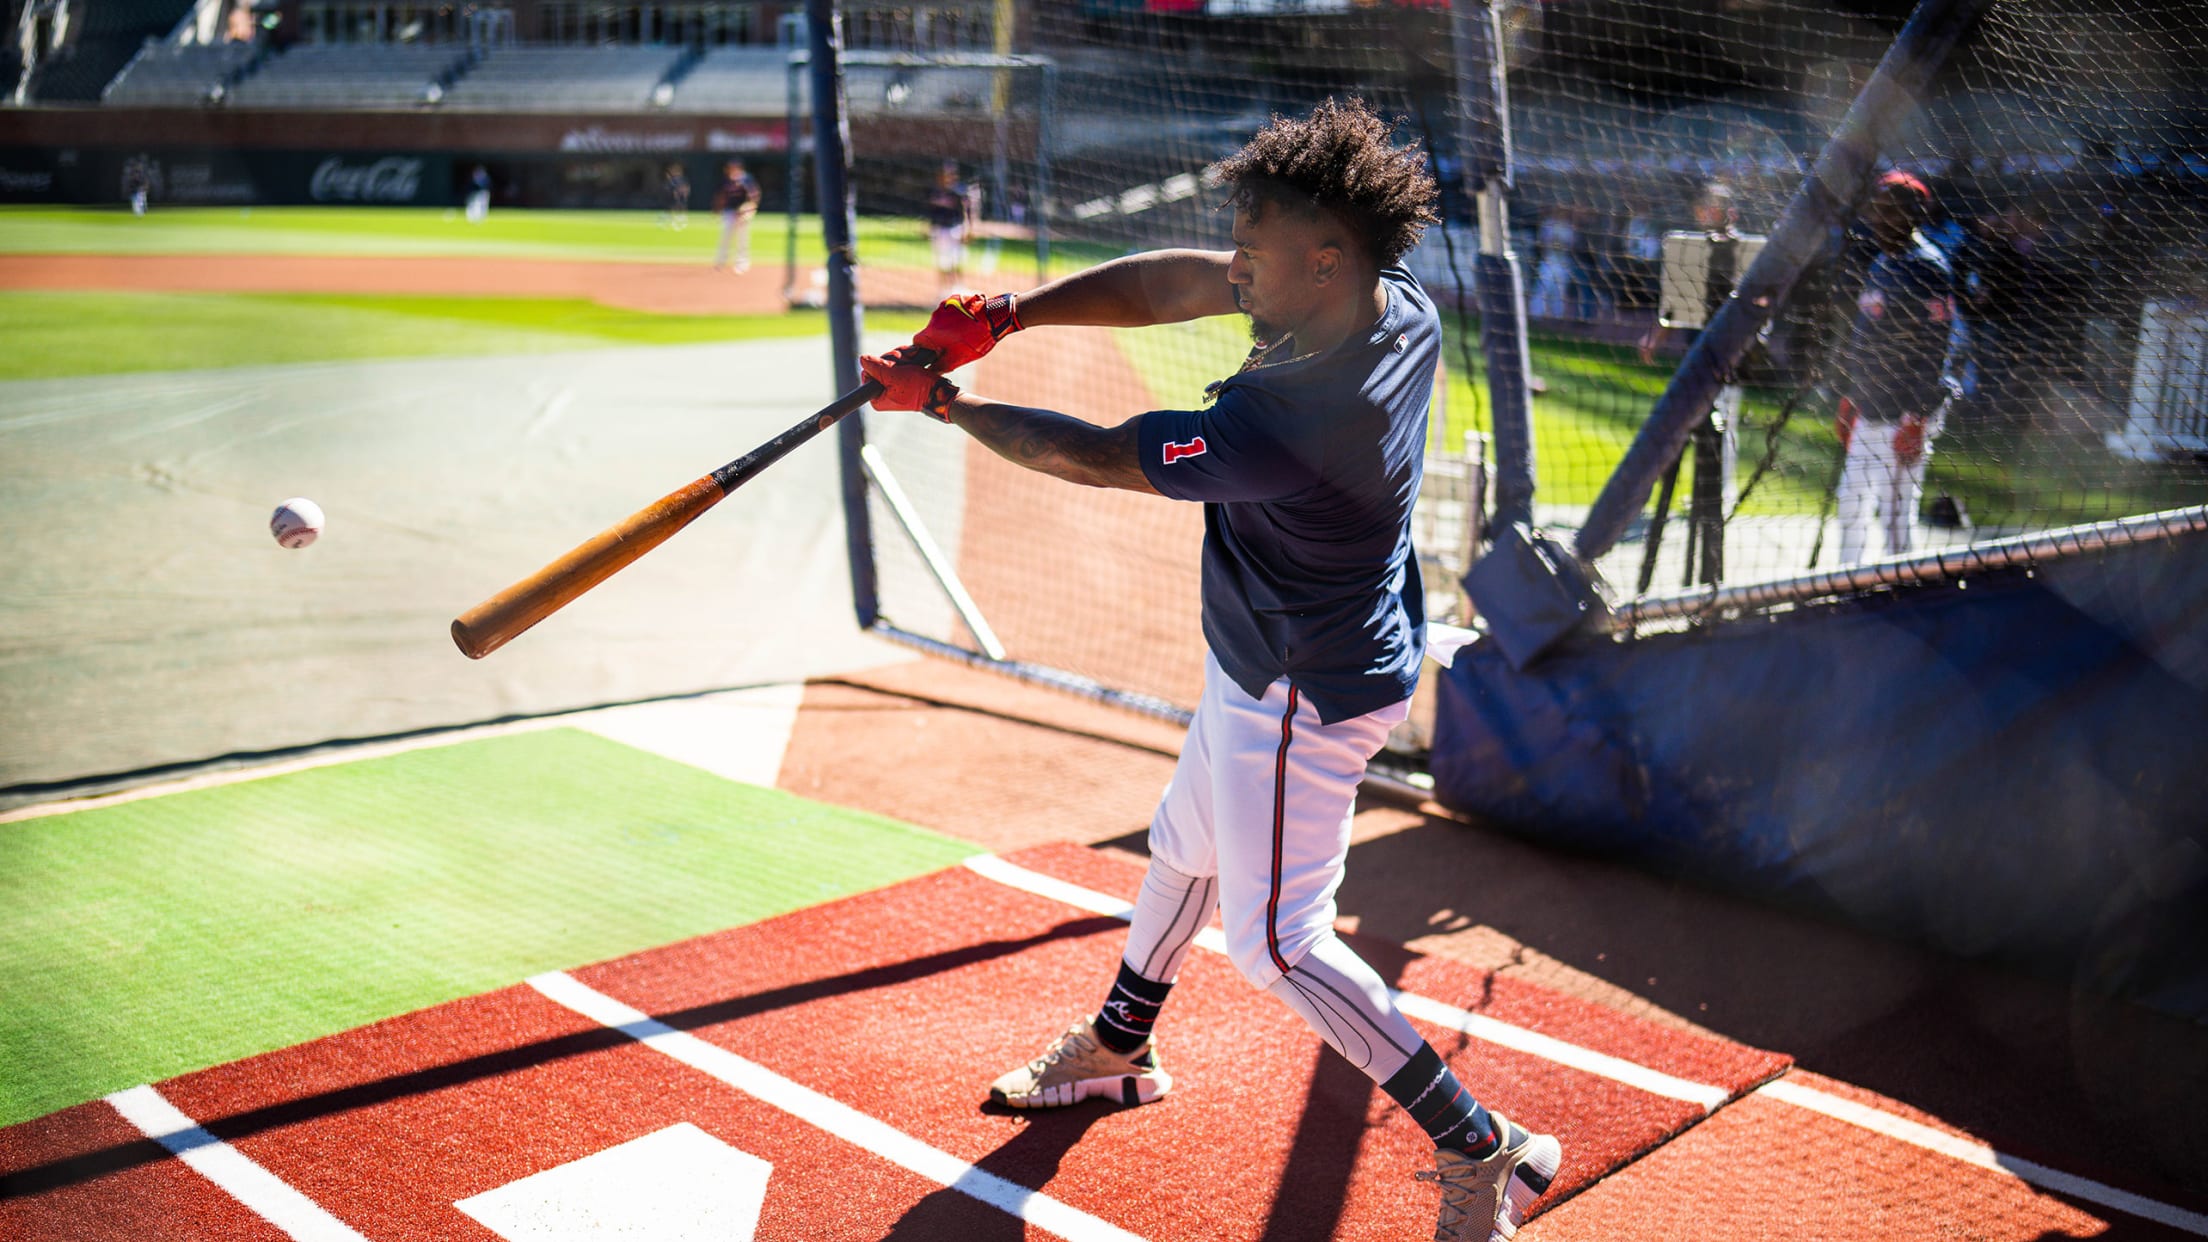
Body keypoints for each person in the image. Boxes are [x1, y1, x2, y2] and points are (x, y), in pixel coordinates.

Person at [857, 98, 1562, 1242]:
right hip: (1279, 650)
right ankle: (1119, 1045)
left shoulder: (1291, 416)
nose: (1234, 268)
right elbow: (1173, 285)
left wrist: (944, 402)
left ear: (1325, 261)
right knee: (1185, 843)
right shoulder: (1394, 302)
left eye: (1256, 251)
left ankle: (1486, 1149)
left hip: (1305, 686)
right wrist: (1010, 314)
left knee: (1279, 944)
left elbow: (1090, 456)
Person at [1833, 170, 1963, 564]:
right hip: (1872, 405)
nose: (1878, 219)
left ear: (1913, 216)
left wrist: (1917, 417)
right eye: (1877, 210)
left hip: (1906, 409)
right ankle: (1847, 584)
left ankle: (1899, 591)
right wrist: (1851, 397)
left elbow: (1934, 350)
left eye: (1889, 211)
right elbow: (1866, 338)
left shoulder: (1928, 267)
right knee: (1851, 505)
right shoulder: (1882, 263)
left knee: (1895, 515)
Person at [925, 159, 978, 296]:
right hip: (940, 230)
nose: (948, 176)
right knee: (942, 261)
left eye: (951, 173)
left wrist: (968, 229)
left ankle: (958, 288)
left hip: (955, 229)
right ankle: (943, 290)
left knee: (956, 260)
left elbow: (967, 211)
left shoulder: (958, 192)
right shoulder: (935, 191)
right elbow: (931, 213)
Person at [711, 159, 760, 273]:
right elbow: (720, 195)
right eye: (730, 167)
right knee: (725, 236)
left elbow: (754, 195)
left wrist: (750, 208)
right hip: (729, 211)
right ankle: (720, 262)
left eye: (734, 166)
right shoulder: (726, 179)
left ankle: (742, 263)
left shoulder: (746, 179)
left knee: (742, 238)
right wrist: (716, 209)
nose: (731, 168)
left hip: (743, 211)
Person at [661, 162, 690, 232]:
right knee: (674, 210)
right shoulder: (673, 180)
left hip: (679, 199)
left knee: (680, 210)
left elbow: (685, 189)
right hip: (674, 199)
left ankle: (681, 223)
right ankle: (674, 223)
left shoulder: (680, 179)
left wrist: (682, 195)